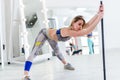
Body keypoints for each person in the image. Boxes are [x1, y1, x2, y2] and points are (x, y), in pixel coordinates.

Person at [23, 4, 104, 80]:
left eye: (82, 25)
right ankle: (26, 75)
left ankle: (66, 65)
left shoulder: (75, 29)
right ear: (73, 23)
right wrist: (100, 18)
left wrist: (97, 13)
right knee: (35, 52)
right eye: (79, 24)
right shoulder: (68, 31)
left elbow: (89, 24)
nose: (81, 27)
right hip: (44, 33)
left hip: (52, 37)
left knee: (57, 51)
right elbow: (86, 31)